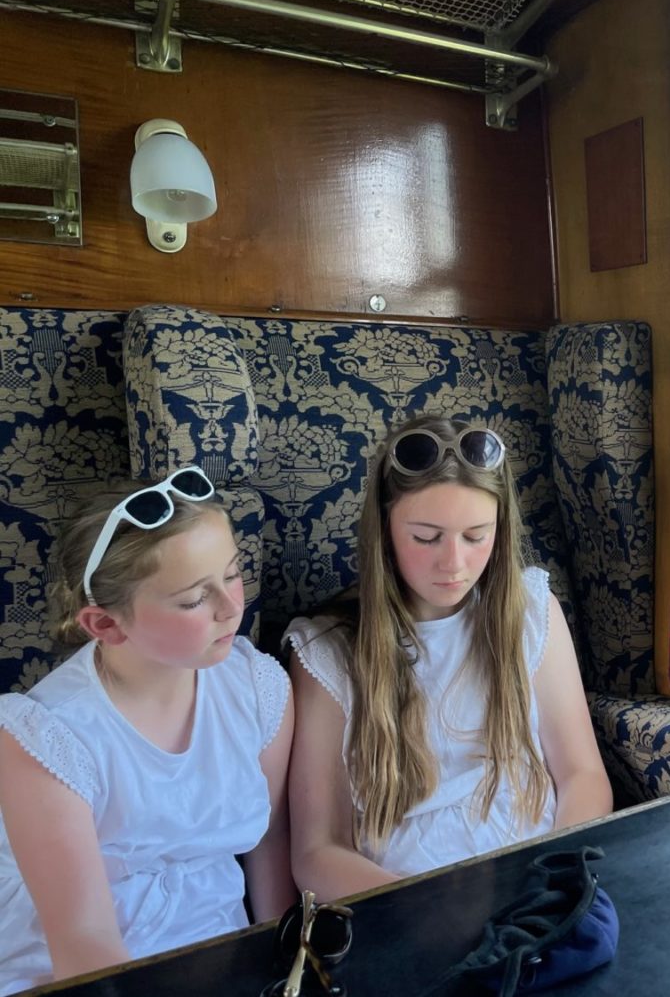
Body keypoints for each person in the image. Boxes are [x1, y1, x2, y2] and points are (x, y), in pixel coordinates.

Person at [284, 414, 612, 899]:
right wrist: (429, 910)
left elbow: (582, 776)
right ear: (385, 531)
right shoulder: (327, 652)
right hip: (403, 902)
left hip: (538, 882)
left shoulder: (530, 612)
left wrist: (548, 880)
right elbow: (317, 851)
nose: (454, 564)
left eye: (476, 536)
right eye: (426, 537)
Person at [0, 468, 295, 995]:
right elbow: (83, 944)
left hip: (214, 947)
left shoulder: (257, 688)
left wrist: (283, 968)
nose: (232, 607)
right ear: (106, 625)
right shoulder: (44, 738)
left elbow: (270, 841)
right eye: (193, 599)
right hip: (74, 968)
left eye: (232, 574)